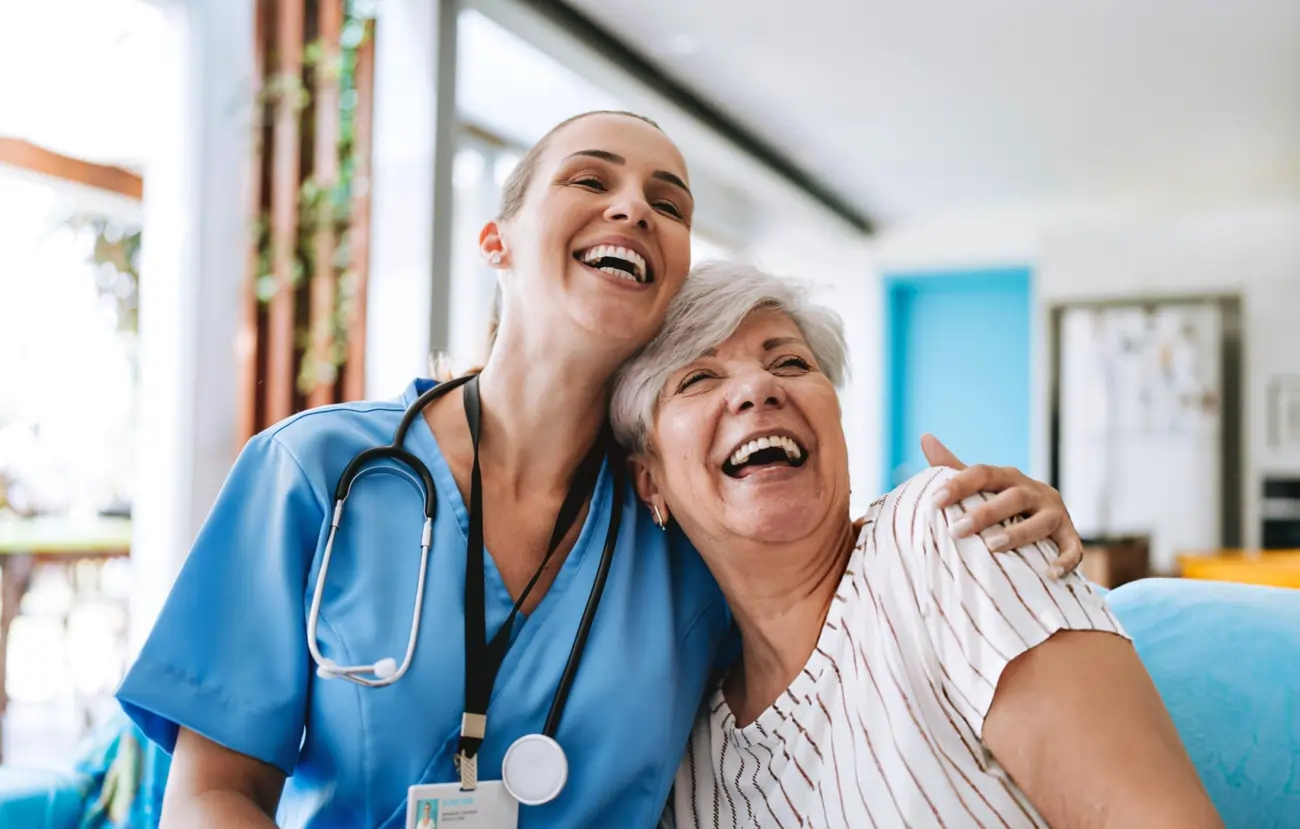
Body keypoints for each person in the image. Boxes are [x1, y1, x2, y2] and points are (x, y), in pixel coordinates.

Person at [116, 111, 1088, 828]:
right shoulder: (316, 471)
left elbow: (827, 582)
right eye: (592, 180)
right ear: (495, 242)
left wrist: (984, 526)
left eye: (669, 203)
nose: (636, 205)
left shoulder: (674, 523)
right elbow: (215, 789)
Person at [612, 262, 1224, 829]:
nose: (758, 389)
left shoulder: (941, 534)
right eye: (697, 377)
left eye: (791, 364)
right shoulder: (685, 757)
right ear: (650, 480)